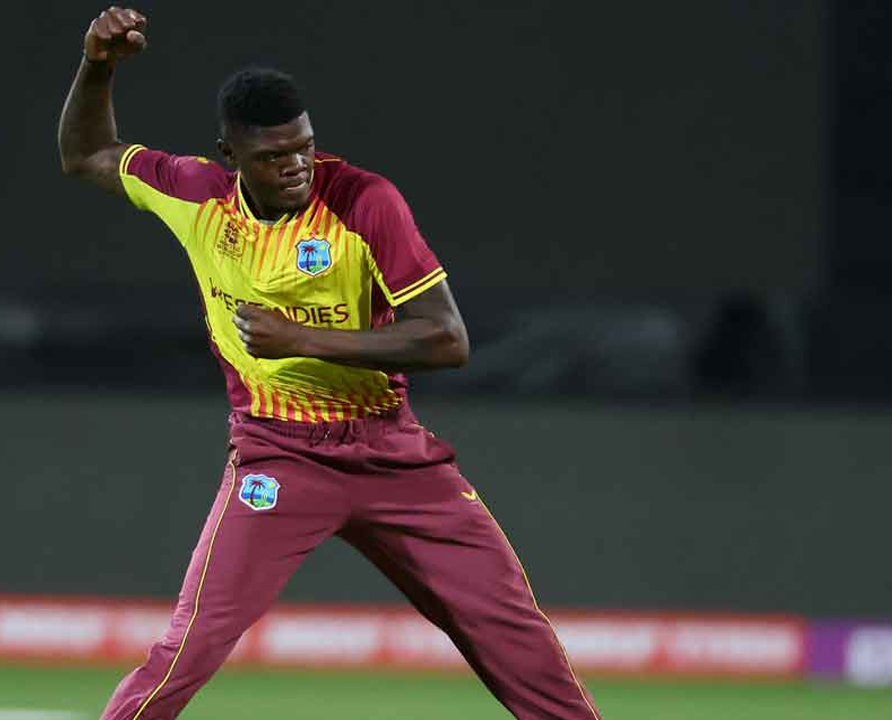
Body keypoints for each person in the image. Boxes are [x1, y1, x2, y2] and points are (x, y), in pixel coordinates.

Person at [57, 7, 602, 720]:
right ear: (229, 155)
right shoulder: (195, 193)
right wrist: (97, 66)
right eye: (272, 156)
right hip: (278, 456)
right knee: (188, 647)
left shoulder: (364, 201)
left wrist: (302, 339)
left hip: (392, 455)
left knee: (516, 639)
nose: (295, 167)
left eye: (304, 148)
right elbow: (87, 155)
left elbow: (447, 339)